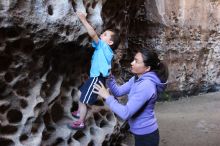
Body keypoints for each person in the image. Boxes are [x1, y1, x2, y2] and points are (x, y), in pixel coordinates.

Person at [93, 48, 169, 146]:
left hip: (147, 135)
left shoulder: (146, 85)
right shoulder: (136, 78)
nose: (132, 63)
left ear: (147, 68)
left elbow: (126, 113)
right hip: (140, 133)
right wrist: (109, 76)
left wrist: (107, 96)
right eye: (133, 59)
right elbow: (118, 92)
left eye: (136, 61)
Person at [68, 11, 120, 130]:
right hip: (95, 77)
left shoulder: (104, 47)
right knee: (81, 93)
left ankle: (81, 121)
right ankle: (79, 111)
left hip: (96, 78)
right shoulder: (103, 48)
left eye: (105, 34)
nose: (102, 34)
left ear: (110, 42)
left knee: (82, 101)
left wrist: (83, 19)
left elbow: (93, 34)